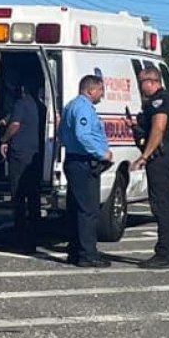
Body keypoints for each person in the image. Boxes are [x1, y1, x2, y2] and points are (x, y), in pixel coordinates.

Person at [130, 65, 169, 269]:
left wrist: (145, 155)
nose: (140, 86)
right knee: (167, 205)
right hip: (166, 156)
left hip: (160, 158)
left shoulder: (160, 101)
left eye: (141, 82)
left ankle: (164, 253)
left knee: (161, 206)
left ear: (151, 81)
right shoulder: (163, 100)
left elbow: (159, 128)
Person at [58, 75, 112, 268]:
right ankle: (87, 254)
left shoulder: (71, 106)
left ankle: (75, 250)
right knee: (88, 211)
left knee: (75, 209)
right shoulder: (83, 108)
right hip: (83, 162)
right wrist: (101, 153)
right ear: (90, 90)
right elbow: (83, 135)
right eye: (100, 91)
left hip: (74, 160)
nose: (102, 95)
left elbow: (61, 134)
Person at [0, 80, 44, 254]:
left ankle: (19, 236)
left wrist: (4, 139)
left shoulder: (21, 103)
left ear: (23, 88)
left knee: (18, 196)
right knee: (34, 198)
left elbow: (15, 125)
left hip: (19, 155)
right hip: (35, 156)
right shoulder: (41, 107)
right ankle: (34, 235)